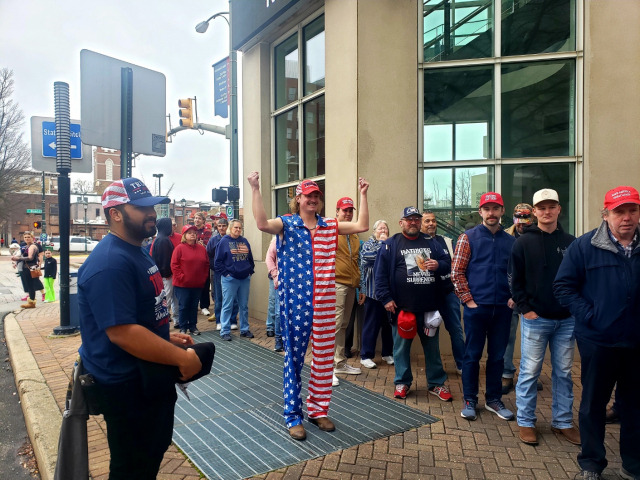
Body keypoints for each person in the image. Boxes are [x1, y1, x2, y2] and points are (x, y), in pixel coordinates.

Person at [77, 178, 202, 479]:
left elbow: (135, 316)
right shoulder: (110, 263)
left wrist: (165, 337)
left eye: (151, 205)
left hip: (147, 375)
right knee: (132, 466)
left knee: (151, 452)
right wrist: (182, 359)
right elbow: (121, 332)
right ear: (115, 214)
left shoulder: (136, 249)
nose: (151, 212)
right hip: (127, 385)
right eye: (141, 207)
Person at [248, 171, 369, 441]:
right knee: (293, 358)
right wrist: (255, 188)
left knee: (324, 360)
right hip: (296, 301)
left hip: (325, 302)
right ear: (298, 199)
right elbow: (260, 223)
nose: (313, 199)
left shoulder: (329, 225)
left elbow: (361, 225)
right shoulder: (287, 224)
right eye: (308, 195)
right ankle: (293, 415)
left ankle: (317, 410)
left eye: (317, 196)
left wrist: (362, 194)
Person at [554, 185, 640, 480]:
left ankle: (633, 464)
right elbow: (563, 287)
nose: (626, 217)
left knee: (633, 406)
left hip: (635, 342)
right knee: (593, 404)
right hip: (598, 341)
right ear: (606, 215)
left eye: (632, 210)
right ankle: (592, 464)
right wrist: (591, 316)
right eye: (619, 211)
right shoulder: (584, 246)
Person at [508, 189, 579, 446]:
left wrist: (574, 308)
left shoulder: (571, 242)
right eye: (542, 207)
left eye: (552, 207)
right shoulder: (523, 242)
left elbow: (578, 279)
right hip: (535, 318)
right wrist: (526, 309)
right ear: (534, 212)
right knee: (530, 371)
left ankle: (563, 422)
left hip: (566, 319)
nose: (547, 212)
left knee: (563, 373)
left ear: (559, 209)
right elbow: (515, 281)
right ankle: (526, 422)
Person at [375, 207, 453, 402]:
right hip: (403, 308)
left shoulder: (432, 243)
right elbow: (380, 274)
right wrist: (385, 298)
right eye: (409, 219)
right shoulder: (391, 244)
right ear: (401, 222)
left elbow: (447, 261)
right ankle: (402, 382)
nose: (413, 223)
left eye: (416, 220)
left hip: (429, 309)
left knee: (432, 348)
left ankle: (436, 383)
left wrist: (438, 265)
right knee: (401, 348)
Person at [452, 192, 516, 421]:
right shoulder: (467, 238)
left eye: (495, 208)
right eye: (487, 209)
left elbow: (518, 273)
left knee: (497, 357)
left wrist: (515, 297)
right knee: (472, 355)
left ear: (502, 211)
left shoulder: (511, 241)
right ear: (480, 212)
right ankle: (470, 399)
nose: (491, 213)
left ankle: (493, 399)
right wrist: (468, 300)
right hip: (476, 308)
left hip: (503, 309)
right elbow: (456, 271)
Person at [502, 203, 540, 394]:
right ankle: (506, 375)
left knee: (533, 340)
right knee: (508, 337)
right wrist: (512, 294)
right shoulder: (507, 237)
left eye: (526, 217)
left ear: (532, 217)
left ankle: (530, 376)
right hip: (511, 297)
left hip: (532, 299)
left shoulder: (539, 236)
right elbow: (506, 269)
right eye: (518, 217)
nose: (522, 222)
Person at [421, 211, 465, 374]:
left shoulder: (446, 241)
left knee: (455, 329)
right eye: (427, 221)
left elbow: (454, 264)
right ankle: (434, 368)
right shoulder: (417, 243)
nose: (431, 223)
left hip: (448, 293)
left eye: (433, 221)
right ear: (421, 224)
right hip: (428, 295)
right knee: (430, 333)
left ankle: (461, 365)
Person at [333, 197, 363, 385]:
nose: (348, 214)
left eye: (351, 210)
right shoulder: (331, 230)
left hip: (351, 284)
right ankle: (329, 367)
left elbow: (356, 260)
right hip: (337, 283)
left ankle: (340, 362)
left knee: (344, 325)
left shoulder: (353, 234)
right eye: (344, 210)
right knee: (335, 325)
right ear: (337, 211)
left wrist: (360, 285)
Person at [358, 220, 394, 369]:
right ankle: (366, 356)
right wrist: (382, 244)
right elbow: (368, 258)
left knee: (388, 326)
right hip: (373, 293)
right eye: (380, 228)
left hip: (388, 294)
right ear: (374, 231)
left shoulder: (392, 244)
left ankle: (387, 353)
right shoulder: (369, 244)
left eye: (385, 228)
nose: (383, 230)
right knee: (371, 325)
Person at [214, 219, 255, 341]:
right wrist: (226, 274)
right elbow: (217, 262)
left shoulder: (244, 241)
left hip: (244, 278)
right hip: (230, 279)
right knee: (227, 305)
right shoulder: (224, 242)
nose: (238, 230)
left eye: (239, 228)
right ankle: (225, 331)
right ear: (230, 228)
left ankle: (244, 329)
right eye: (235, 227)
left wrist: (250, 271)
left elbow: (250, 258)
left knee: (244, 306)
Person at [171, 224, 210, 336]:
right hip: (182, 285)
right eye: (189, 233)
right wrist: (182, 277)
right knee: (183, 306)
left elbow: (206, 264)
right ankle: (183, 327)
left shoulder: (201, 248)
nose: (193, 234)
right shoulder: (179, 248)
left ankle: (193, 326)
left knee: (194, 306)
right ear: (184, 235)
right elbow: (174, 265)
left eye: (194, 232)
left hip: (197, 284)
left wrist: (203, 277)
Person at [206, 218, 239, 330]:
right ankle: (219, 320)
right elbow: (209, 255)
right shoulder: (213, 240)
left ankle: (232, 320)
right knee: (219, 296)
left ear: (227, 226)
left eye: (224, 226)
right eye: (219, 226)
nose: (221, 228)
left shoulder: (233, 239)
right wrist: (215, 267)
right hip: (218, 273)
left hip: (232, 272)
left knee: (233, 297)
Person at [152, 218, 178, 328]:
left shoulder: (160, 238)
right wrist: (166, 273)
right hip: (166, 275)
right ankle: (163, 323)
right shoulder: (163, 240)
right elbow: (164, 259)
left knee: (168, 298)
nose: (172, 228)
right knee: (166, 300)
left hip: (164, 274)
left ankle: (171, 321)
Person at [11, 231, 43, 309]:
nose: (27, 239)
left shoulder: (33, 246)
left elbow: (30, 258)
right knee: (30, 285)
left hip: (30, 267)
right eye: (25, 237)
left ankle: (32, 302)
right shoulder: (27, 246)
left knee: (31, 285)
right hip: (29, 267)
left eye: (28, 237)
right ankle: (31, 301)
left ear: (32, 238)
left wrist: (18, 258)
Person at [265, 236, 284, 352]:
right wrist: (276, 276)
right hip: (279, 280)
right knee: (278, 311)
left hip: (294, 282)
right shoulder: (276, 240)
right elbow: (269, 258)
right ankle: (278, 341)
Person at [193, 211, 212, 316]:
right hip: (192, 262)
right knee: (193, 283)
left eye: (199, 218)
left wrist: (199, 244)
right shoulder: (191, 230)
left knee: (205, 283)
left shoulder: (207, 231)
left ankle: (204, 306)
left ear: (203, 221)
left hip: (204, 261)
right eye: (195, 218)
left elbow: (206, 246)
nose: (197, 220)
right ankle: (194, 305)